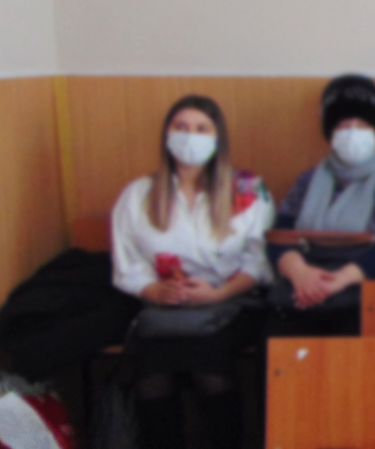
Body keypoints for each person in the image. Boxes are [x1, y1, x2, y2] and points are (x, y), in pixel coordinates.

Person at [110, 95, 274, 449]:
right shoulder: (139, 194)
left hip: (232, 303)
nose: (190, 136)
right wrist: (153, 290)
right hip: (164, 308)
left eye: (202, 129)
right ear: (167, 134)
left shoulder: (247, 189)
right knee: (152, 378)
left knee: (209, 374)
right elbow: (128, 262)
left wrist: (218, 293)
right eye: (181, 127)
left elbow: (261, 261)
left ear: (218, 138)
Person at [267, 74, 375, 336]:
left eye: (363, 125)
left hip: (363, 288)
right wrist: (300, 273)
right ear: (330, 132)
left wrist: (341, 278)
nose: (353, 132)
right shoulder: (308, 180)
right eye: (343, 125)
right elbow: (279, 235)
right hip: (302, 286)